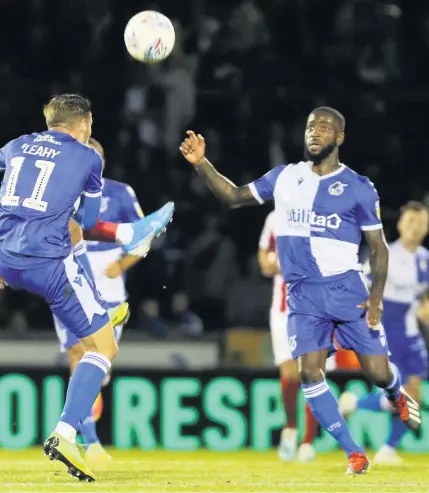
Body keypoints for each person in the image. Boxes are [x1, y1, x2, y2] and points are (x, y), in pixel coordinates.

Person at [180, 107, 421, 474]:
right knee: (309, 372)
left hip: (347, 289)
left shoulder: (358, 186)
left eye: (325, 127)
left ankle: (394, 392)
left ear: (339, 138)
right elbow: (232, 196)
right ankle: (353, 452)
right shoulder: (284, 177)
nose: (315, 132)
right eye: (311, 126)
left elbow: (379, 246)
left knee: (377, 371)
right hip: (303, 296)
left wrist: (375, 298)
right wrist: (202, 163)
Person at [0, 94, 174, 482]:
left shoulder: (14, 147)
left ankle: (128, 236)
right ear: (83, 123)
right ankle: (65, 433)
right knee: (103, 347)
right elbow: (90, 217)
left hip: (5, 255)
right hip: (48, 265)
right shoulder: (87, 156)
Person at [53, 137, 147, 461]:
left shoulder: (120, 193)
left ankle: (83, 432)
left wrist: (121, 263)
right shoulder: (59, 192)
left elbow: (145, 232)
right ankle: (89, 441)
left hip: (109, 285)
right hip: (69, 280)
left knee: (101, 362)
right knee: (79, 356)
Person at [339, 201, 429, 464]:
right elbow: (361, 288)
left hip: (411, 333)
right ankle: (356, 408)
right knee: (401, 393)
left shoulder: (425, 259)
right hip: (387, 329)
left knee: (414, 395)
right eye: (410, 221)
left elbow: (422, 304)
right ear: (400, 224)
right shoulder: (386, 254)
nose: (415, 227)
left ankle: (387, 448)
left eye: (421, 222)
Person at [258, 211, 318, 462]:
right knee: (290, 375)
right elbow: (264, 260)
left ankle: (308, 442)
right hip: (283, 310)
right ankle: (291, 427)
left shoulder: (324, 213)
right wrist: (271, 264)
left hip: (317, 308)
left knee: (313, 374)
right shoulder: (275, 217)